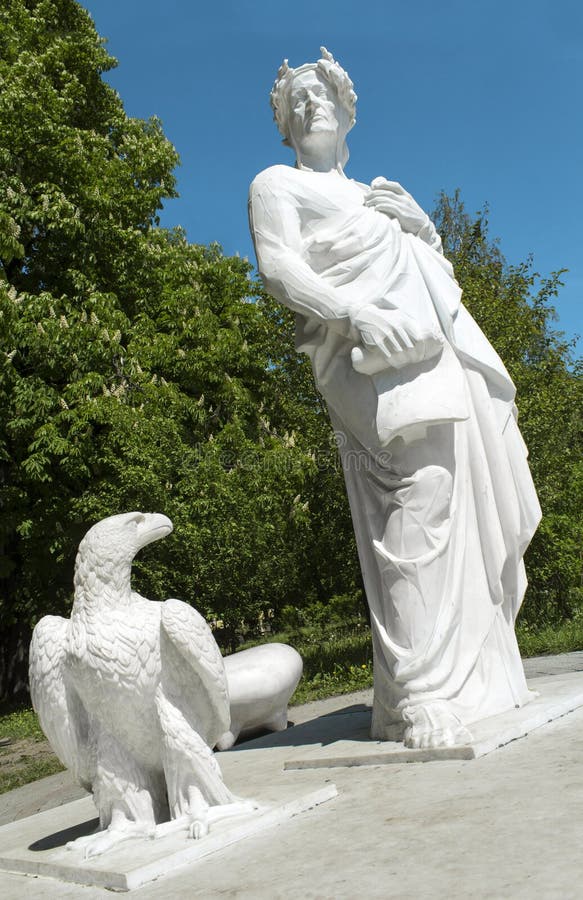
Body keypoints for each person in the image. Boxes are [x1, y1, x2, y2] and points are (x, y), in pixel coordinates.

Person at [248, 48, 541, 749]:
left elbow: (436, 284)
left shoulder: (375, 191)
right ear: (284, 124)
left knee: (454, 492)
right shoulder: (276, 182)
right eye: (296, 102)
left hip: (429, 350)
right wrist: (352, 311)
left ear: (348, 108)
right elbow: (278, 265)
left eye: (322, 95)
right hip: (366, 353)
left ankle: (467, 675)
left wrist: (424, 229)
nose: (309, 106)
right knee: (418, 495)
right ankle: (418, 693)